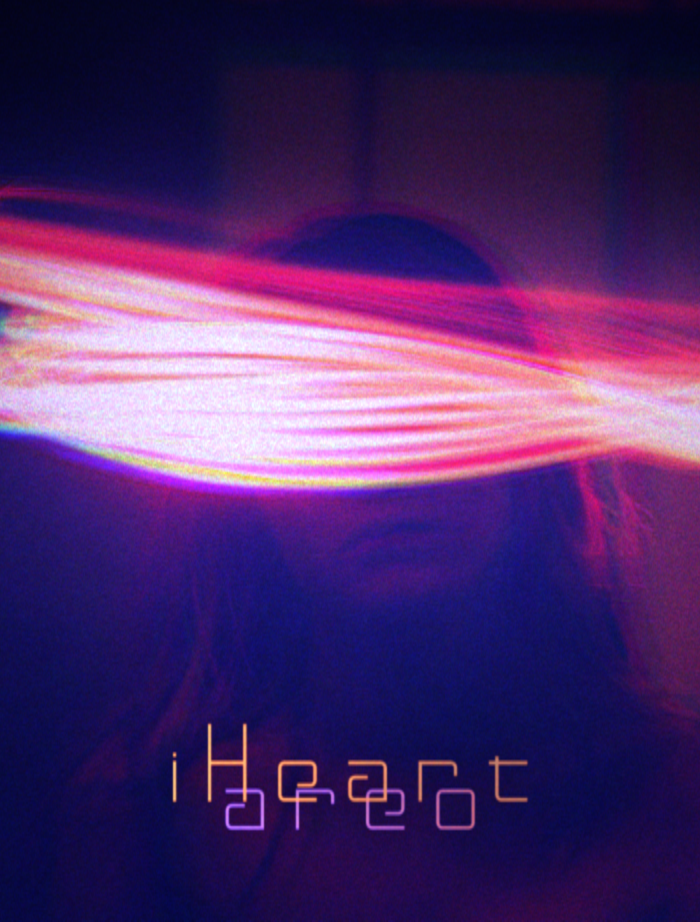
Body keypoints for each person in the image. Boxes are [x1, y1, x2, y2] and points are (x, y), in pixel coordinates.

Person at [54, 212, 700, 921]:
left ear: (527, 467)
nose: (387, 472)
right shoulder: (161, 809)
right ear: (249, 494)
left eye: (432, 405)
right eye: (325, 418)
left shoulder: (672, 795)